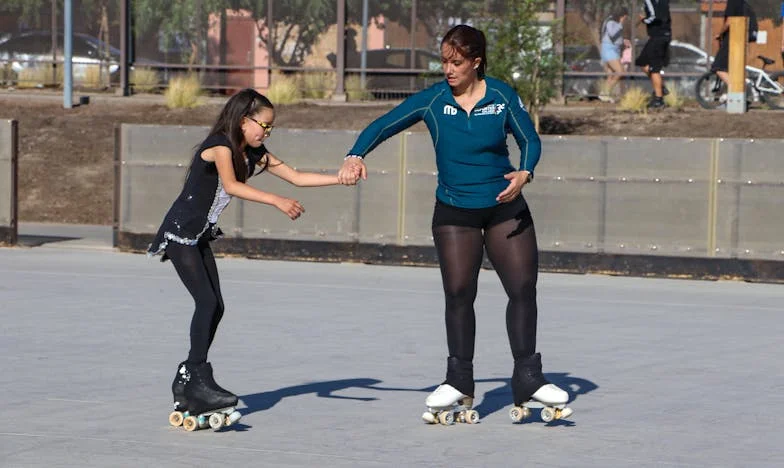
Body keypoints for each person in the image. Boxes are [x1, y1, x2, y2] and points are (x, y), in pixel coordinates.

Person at [338, 24, 573, 423]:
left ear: (476, 63)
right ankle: (459, 381)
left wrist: (525, 173)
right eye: (444, 61)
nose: (448, 69)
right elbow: (385, 124)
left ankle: (529, 378)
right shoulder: (433, 100)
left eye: (457, 62)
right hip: (454, 212)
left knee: (522, 289)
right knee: (459, 293)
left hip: (504, 207)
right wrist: (355, 154)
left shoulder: (500, 95)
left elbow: (530, 139)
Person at [148, 88, 346, 425]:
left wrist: (340, 178)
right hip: (180, 233)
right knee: (207, 304)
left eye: (270, 129)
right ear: (243, 120)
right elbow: (232, 185)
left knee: (217, 305)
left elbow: (297, 177)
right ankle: (194, 376)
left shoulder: (255, 154)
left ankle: (192, 377)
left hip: (197, 236)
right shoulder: (220, 146)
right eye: (263, 126)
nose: (266, 134)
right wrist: (277, 201)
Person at [635, 0, 672, 108]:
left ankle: (659, 100)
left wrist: (643, 20)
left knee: (654, 68)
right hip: (662, 37)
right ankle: (661, 87)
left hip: (658, 38)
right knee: (642, 62)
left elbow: (653, 17)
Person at [711, 0, 751, 87]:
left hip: (732, 38)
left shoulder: (733, 2)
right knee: (733, 69)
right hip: (740, 38)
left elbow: (729, 21)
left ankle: (736, 89)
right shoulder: (743, 3)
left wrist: (720, 34)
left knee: (718, 67)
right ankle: (739, 90)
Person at [599, 7, 631, 102]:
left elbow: (615, 37)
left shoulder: (613, 22)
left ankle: (605, 95)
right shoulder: (610, 21)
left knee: (611, 74)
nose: (625, 19)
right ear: (622, 15)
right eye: (625, 17)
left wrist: (622, 41)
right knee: (620, 71)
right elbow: (612, 33)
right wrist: (620, 23)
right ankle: (604, 92)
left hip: (614, 49)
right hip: (609, 49)